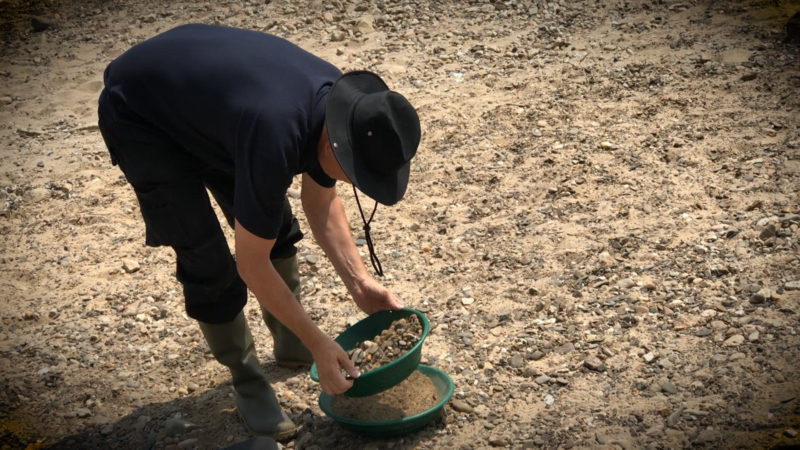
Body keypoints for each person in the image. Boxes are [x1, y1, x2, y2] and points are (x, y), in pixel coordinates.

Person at [97, 23, 421, 440]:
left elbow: (320, 203)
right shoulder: (276, 133)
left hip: (212, 110)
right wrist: (320, 341)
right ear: (334, 142)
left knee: (276, 229)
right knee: (205, 256)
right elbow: (251, 263)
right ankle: (247, 378)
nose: (356, 184)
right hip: (140, 114)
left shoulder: (345, 113)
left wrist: (359, 283)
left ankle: (289, 346)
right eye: (357, 175)